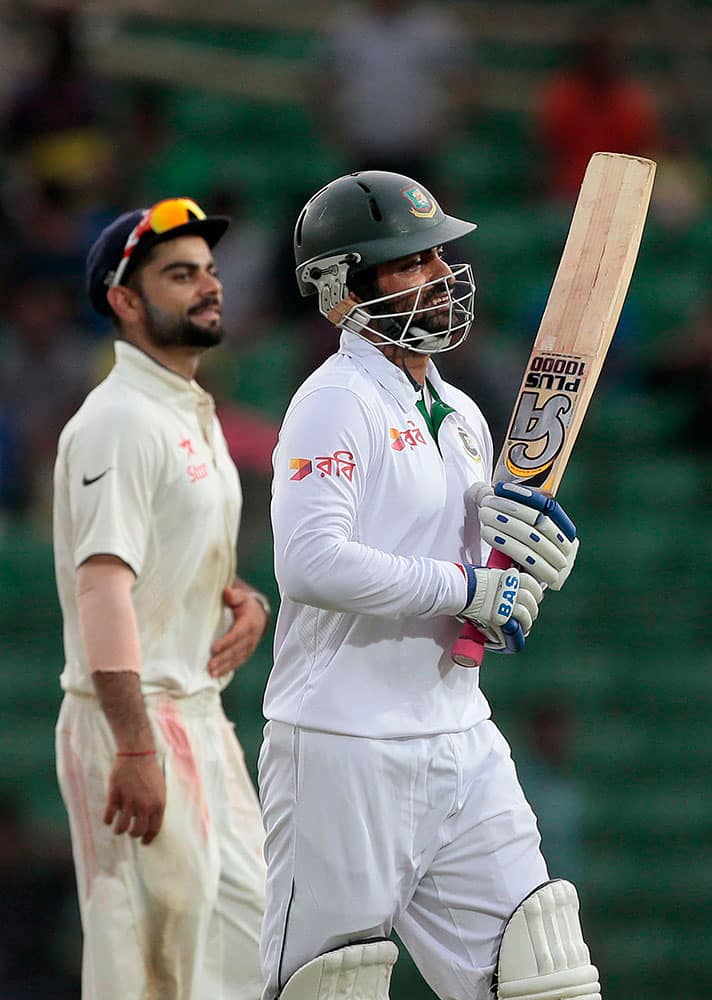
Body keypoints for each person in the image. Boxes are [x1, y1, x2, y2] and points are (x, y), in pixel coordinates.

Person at [259, 171, 601, 1000]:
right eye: (409, 263)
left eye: (440, 255)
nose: (440, 275)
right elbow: (309, 562)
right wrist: (462, 586)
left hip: (461, 737)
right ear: (343, 289)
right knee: (326, 987)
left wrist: (525, 563)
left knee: (545, 976)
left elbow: (468, 560)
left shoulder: (462, 411)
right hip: (342, 744)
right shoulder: (333, 402)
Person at [53, 197, 268, 1000]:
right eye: (180, 276)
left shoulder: (188, 409)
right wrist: (135, 746)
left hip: (200, 714)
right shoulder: (117, 420)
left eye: (209, 272)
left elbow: (167, 559)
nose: (209, 287)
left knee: (249, 957)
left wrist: (238, 598)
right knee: (151, 976)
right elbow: (103, 586)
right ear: (125, 300)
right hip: (134, 722)